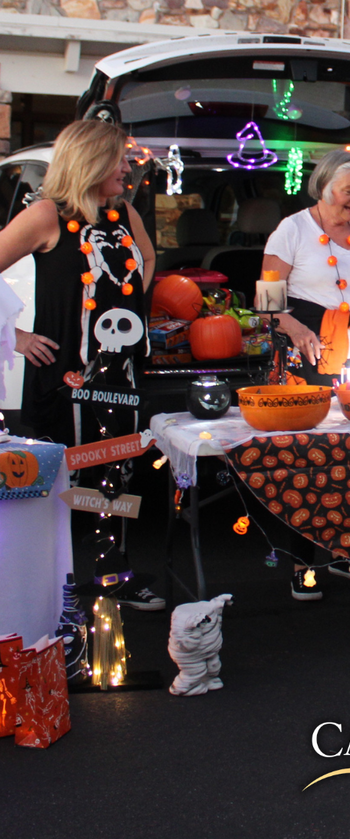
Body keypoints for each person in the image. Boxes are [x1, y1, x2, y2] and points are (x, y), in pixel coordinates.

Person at [0, 119, 162, 611]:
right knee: (63, 480)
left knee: (117, 473)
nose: (128, 168)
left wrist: (129, 309)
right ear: (90, 161)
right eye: (119, 159)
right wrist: (15, 336)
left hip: (119, 375)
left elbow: (147, 258)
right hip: (63, 376)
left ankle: (114, 573)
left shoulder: (124, 212)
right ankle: (54, 590)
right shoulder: (46, 214)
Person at [262, 148, 350, 600]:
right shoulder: (293, 229)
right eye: (348, 191)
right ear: (323, 188)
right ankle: (301, 563)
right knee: (308, 455)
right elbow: (266, 300)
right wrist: (296, 328)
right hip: (309, 350)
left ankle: (348, 552)